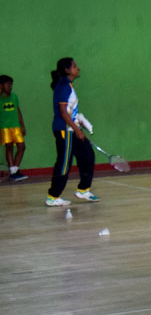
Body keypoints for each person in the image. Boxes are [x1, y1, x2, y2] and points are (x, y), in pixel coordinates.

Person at [46, 58, 98, 206]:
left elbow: (69, 110)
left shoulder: (68, 85)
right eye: (74, 66)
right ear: (67, 70)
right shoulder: (64, 86)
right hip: (66, 130)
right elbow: (63, 112)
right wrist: (77, 130)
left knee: (88, 155)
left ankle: (83, 190)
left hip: (71, 128)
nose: (78, 68)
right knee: (64, 163)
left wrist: (79, 120)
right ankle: (53, 196)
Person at [1, 75, 29, 182]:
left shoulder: (14, 97)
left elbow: (18, 111)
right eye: (8, 85)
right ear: (1, 85)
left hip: (16, 126)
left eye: (11, 85)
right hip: (4, 127)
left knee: (22, 147)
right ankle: (13, 172)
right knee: (9, 147)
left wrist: (22, 125)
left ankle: (14, 171)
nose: (10, 87)